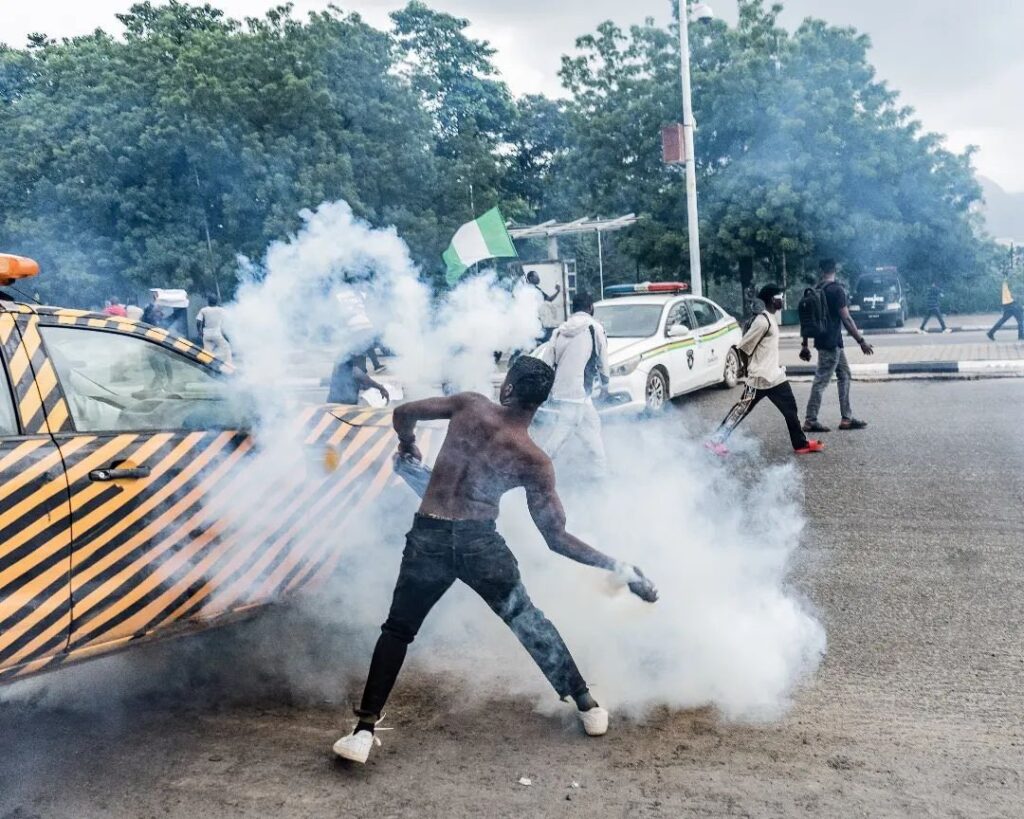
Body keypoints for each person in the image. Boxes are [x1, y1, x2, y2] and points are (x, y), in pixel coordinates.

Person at [332, 357, 658, 765]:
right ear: (540, 403)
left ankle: (362, 731)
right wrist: (620, 568)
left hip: (429, 536)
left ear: (507, 389)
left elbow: (403, 413)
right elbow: (556, 539)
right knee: (527, 620)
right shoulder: (534, 460)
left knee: (397, 631)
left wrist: (407, 443)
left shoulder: (470, 406)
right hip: (480, 546)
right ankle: (588, 705)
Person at [708, 285, 824, 456]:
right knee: (741, 409)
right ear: (772, 299)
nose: (782, 300)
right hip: (758, 378)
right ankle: (715, 441)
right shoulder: (762, 321)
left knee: (790, 408)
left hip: (775, 376)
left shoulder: (770, 318)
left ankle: (800, 444)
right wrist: (746, 370)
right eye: (780, 297)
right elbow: (743, 347)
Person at [536, 291, 610, 478]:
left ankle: (599, 470)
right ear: (590, 307)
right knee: (563, 432)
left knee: (592, 424)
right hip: (579, 392)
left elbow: (547, 361)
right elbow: (603, 359)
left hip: (565, 390)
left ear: (572, 309)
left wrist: (547, 389)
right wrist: (605, 385)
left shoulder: (559, 331)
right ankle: (537, 466)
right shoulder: (594, 328)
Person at [800, 259, 874, 432]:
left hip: (828, 342)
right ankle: (810, 420)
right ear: (836, 269)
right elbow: (846, 319)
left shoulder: (816, 290)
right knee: (820, 381)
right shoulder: (837, 290)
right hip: (831, 344)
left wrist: (805, 345)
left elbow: (806, 320)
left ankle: (846, 419)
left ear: (820, 270)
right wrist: (861, 341)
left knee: (845, 374)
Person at [526, 270, 562, 343]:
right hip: (530, 320)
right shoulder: (526, 290)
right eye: (536, 276)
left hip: (536, 320)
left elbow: (549, 299)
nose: (538, 278)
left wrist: (558, 291)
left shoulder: (537, 290)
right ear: (530, 278)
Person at [196, 294, 233, 365]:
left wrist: (199, 331)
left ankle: (208, 366)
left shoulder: (203, 310)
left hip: (206, 334)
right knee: (227, 348)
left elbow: (198, 321)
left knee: (207, 353)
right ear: (216, 302)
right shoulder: (221, 310)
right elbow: (228, 320)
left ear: (208, 301)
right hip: (216, 334)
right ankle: (229, 364)